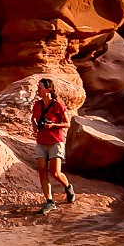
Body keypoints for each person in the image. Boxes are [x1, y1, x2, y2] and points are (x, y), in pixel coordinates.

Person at [31, 77, 76, 214]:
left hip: (55, 141)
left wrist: (53, 125)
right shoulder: (37, 105)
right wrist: (34, 126)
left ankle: (68, 187)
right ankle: (49, 201)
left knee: (55, 172)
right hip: (41, 141)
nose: (37, 90)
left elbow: (67, 123)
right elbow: (33, 118)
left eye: (40, 88)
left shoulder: (58, 105)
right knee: (42, 170)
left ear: (48, 89)